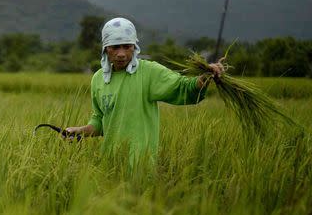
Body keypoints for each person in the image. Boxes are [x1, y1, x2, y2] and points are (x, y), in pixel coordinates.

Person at [65, 17, 225, 164]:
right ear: (106, 49)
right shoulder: (99, 79)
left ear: (134, 47)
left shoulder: (149, 72)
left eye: (127, 47)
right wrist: (79, 131)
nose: (121, 54)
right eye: (115, 47)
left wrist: (202, 79)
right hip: (110, 164)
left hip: (141, 165)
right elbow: (100, 120)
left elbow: (182, 87)